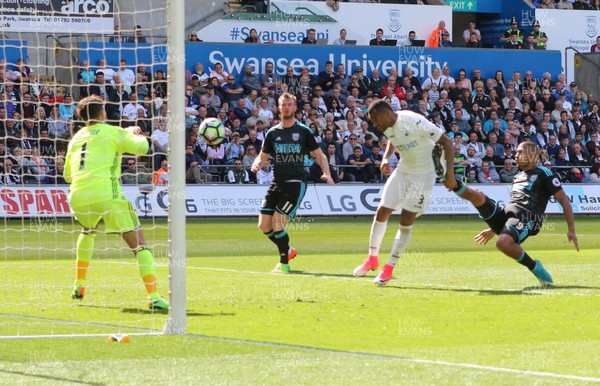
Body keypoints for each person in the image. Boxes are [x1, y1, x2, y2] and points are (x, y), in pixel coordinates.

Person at [63, 95, 168, 310]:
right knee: (139, 244)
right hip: (106, 193)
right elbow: (143, 148)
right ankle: (155, 297)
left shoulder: (75, 139)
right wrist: (136, 133)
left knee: (88, 230)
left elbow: (66, 175)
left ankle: (79, 285)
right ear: (102, 113)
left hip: (78, 195)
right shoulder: (112, 131)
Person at [352, 100, 456, 285]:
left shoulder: (414, 121)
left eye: (376, 120)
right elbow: (394, 139)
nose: (375, 125)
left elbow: (447, 143)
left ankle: (389, 268)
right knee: (382, 211)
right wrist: (386, 158)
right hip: (402, 170)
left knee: (406, 219)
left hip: (423, 176)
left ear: (386, 114)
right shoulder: (386, 126)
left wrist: (449, 174)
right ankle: (372, 259)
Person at [450, 142, 579, 286]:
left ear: (531, 155)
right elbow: (514, 205)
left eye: (519, 152)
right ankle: (450, 179)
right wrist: (494, 229)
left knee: (503, 243)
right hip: (509, 215)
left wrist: (571, 229)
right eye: (516, 153)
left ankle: (535, 267)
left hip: (528, 217)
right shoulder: (517, 177)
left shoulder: (544, 173)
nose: (515, 156)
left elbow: (563, 200)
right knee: (478, 195)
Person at [251, 92, 334, 273]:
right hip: (276, 182)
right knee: (264, 226)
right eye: (283, 104)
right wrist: (257, 164)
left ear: (295, 108)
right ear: (278, 108)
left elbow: (319, 155)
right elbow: (262, 155)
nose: (286, 107)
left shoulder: (303, 131)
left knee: (278, 223)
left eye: (289, 104)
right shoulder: (272, 133)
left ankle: (284, 264)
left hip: (295, 183)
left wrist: (327, 173)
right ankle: (287, 250)